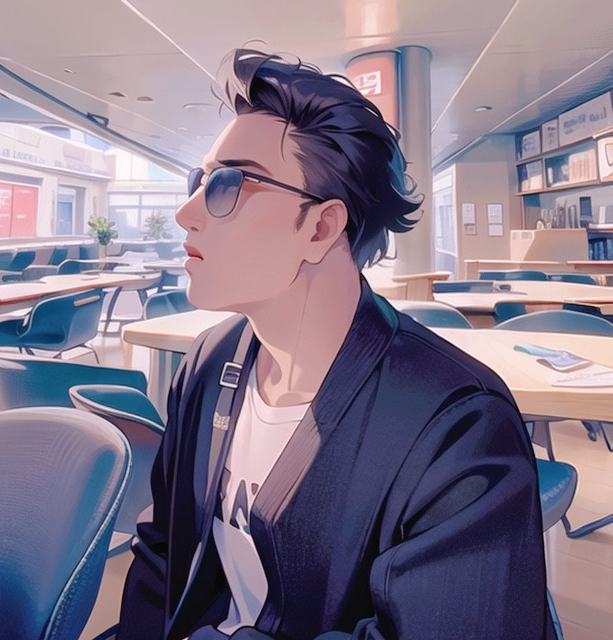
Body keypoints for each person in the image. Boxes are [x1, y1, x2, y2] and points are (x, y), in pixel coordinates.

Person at [117, 47, 553, 639]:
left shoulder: (459, 428)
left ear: (321, 227)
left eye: (227, 184)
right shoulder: (207, 364)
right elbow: (161, 554)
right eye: (199, 181)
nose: (186, 213)